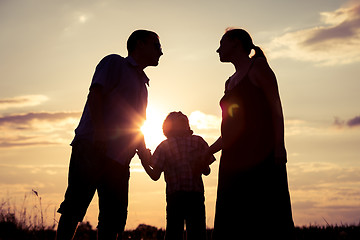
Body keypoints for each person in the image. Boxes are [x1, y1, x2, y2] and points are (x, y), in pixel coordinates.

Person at [56, 29, 163, 240]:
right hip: (93, 148)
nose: (161, 52)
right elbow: (95, 94)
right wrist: (100, 133)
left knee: (113, 219)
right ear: (140, 44)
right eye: (156, 46)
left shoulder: (143, 84)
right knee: (74, 207)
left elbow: (136, 125)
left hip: (120, 160)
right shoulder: (114, 63)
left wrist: (144, 156)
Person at [206, 28, 294, 239]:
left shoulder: (258, 67)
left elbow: (276, 108)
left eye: (222, 43)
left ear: (236, 43)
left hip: (261, 154)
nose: (218, 49)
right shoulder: (229, 82)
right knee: (233, 216)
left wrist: (279, 146)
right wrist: (207, 152)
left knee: (265, 214)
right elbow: (228, 130)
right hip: (233, 160)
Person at [139, 111, 215, 240]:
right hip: (187, 196)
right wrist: (144, 162)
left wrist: (144, 162)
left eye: (184, 119)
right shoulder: (195, 142)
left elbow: (155, 175)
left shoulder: (168, 145)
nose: (183, 118)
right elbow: (207, 171)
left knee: (181, 233)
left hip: (183, 196)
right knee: (190, 233)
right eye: (180, 119)